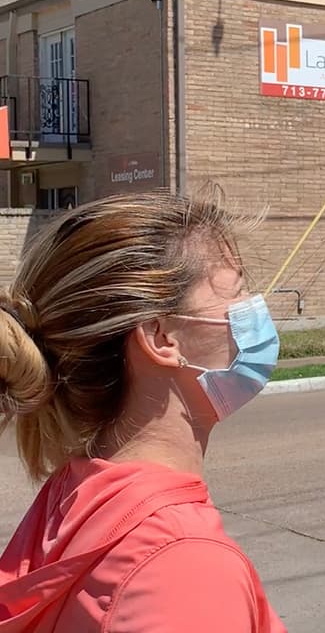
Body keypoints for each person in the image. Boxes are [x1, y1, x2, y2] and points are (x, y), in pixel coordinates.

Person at [0, 193, 286, 632]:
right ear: (161, 337)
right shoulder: (183, 566)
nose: (256, 309)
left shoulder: (76, 493)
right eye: (239, 290)